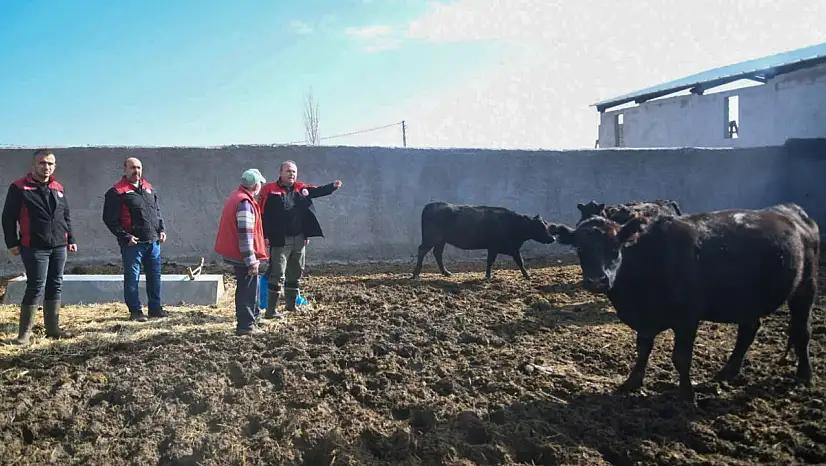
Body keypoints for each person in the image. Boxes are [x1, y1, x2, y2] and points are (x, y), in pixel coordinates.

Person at [2, 149, 77, 344]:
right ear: (33, 165)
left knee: (56, 284)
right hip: (34, 246)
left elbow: (65, 216)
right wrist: (12, 243)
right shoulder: (19, 187)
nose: (46, 167)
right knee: (35, 286)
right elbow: (8, 217)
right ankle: (24, 335)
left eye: (50, 164)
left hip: (59, 245)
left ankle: (53, 329)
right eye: (42, 163)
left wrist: (71, 239)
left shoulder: (57, 187)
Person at [259, 160, 342, 319]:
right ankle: (271, 311)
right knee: (277, 273)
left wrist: (332, 187)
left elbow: (316, 191)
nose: (292, 174)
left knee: (295, 272)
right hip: (279, 239)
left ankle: (291, 306)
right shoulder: (270, 189)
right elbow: (262, 214)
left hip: (299, 238)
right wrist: (265, 236)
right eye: (288, 171)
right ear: (281, 172)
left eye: (294, 172)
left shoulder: (300, 188)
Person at [102, 157, 168, 322]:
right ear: (125, 169)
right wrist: (126, 237)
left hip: (153, 242)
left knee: (155, 276)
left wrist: (161, 230)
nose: (136, 171)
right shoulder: (117, 192)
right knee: (133, 278)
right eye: (132, 168)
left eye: (138, 168)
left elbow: (157, 212)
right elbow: (109, 219)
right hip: (133, 244)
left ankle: (155, 308)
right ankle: (136, 311)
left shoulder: (148, 188)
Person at [214, 169, 270, 336]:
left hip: (238, 254)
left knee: (252, 286)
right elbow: (245, 235)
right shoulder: (245, 203)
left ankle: (255, 317)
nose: (261, 186)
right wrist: (251, 260)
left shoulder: (237, 196)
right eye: (259, 183)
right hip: (243, 256)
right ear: (255, 185)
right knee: (247, 289)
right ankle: (246, 325)